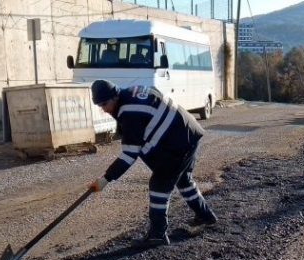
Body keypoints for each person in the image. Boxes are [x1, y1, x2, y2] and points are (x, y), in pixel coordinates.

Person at [88, 79, 217, 248]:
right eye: (99, 106)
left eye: (104, 104)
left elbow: (129, 154)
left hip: (179, 142)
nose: (104, 109)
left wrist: (105, 180)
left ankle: (157, 235)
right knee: (183, 180)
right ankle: (205, 216)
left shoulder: (129, 112)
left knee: (159, 184)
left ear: (114, 96)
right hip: (188, 133)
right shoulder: (130, 93)